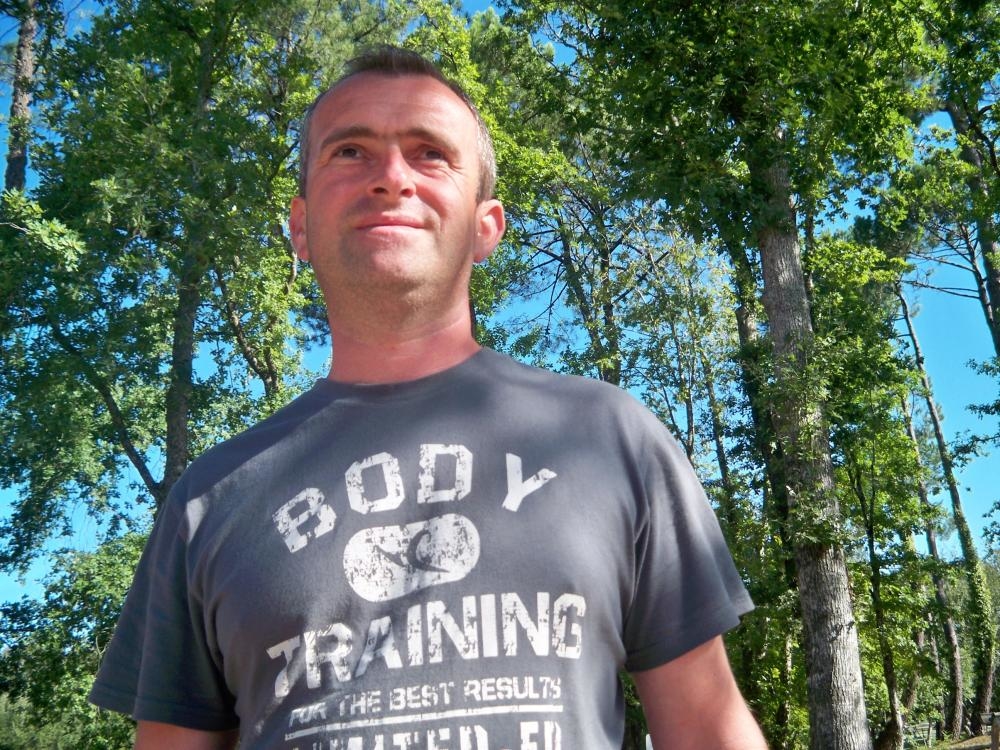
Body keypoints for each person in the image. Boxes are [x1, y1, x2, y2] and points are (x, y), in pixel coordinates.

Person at [89, 46, 768, 750]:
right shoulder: (210, 500)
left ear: (486, 226)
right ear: (300, 226)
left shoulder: (612, 440)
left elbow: (707, 726)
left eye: (430, 154)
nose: (391, 177)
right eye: (350, 151)